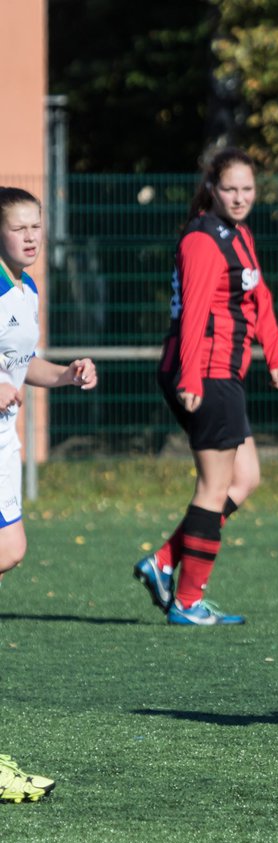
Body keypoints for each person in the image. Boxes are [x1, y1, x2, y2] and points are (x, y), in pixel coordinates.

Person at [132, 148, 278, 626]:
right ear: (212, 189)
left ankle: (164, 559)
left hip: (225, 373)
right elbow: (195, 312)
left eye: (247, 189)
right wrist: (190, 378)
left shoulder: (238, 234)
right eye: (230, 189)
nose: (240, 197)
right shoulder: (203, 240)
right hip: (206, 372)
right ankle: (186, 601)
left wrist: (277, 356)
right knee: (215, 485)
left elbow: (258, 296)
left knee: (245, 479)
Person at [0, 186, 101, 803]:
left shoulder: (28, 290)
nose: (32, 237)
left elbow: (21, 361)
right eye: (19, 229)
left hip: (4, 442)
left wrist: (61, 374)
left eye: (37, 226)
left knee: (11, 549)